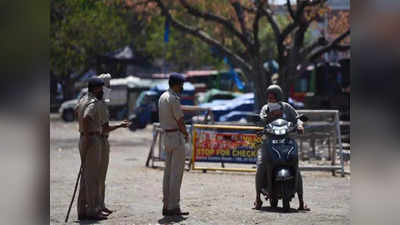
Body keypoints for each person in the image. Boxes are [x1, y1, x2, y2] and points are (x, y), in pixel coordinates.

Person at [254, 84, 309, 211]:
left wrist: (300, 125)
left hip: (286, 140)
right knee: (261, 165)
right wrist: (268, 117)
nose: (270, 99)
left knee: (295, 166)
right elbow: (261, 119)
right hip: (269, 141)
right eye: (269, 97)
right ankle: (258, 198)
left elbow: (297, 117)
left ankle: (301, 201)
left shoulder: (286, 107)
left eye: (273, 97)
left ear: (279, 97)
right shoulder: (265, 108)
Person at [97, 73, 130, 216]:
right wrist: (120, 125)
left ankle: (100, 204)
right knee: (97, 176)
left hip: (102, 140)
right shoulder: (98, 103)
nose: (109, 88)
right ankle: (96, 206)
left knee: (102, 176)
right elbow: (105, 127)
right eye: (108, 86)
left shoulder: (102, 102)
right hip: (98, 140)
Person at [75, 77, 108, 220]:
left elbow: (77, 111)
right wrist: (89, 136)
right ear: (95, 88)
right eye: (101, 88)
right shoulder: (93, 102)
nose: (103, 91)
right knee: (93, 177)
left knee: (85, 176)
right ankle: (93, 210)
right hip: (92, 139)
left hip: (83, 138)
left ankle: (82, 209)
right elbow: (87, 116)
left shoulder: (82, 99)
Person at [158, 73, 190, 217]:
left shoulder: (162, 96)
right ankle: (173, 206)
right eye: (181, 84)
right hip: (176, 136)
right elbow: (180, 120)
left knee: (168, 173)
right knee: (176, 174)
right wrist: (186, 133)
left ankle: (166, 204)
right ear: (176, 84)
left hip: (167, 135)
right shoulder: (174, 98)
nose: (182, 87)